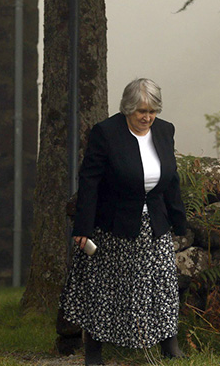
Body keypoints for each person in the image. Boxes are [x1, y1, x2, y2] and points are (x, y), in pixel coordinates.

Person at [60, 78, 188, 365]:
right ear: (127, 108)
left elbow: (172, 180)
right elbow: (90, 181)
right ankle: (93, 353)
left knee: (163, 284)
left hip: (154, 224)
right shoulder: (106, 133)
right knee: (105, 288)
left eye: (153, 111)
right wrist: (83, 227)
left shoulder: (165, 131)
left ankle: (170, 347)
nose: (147, 117)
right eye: (141, 111)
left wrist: (179, 222)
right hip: (114, 225)